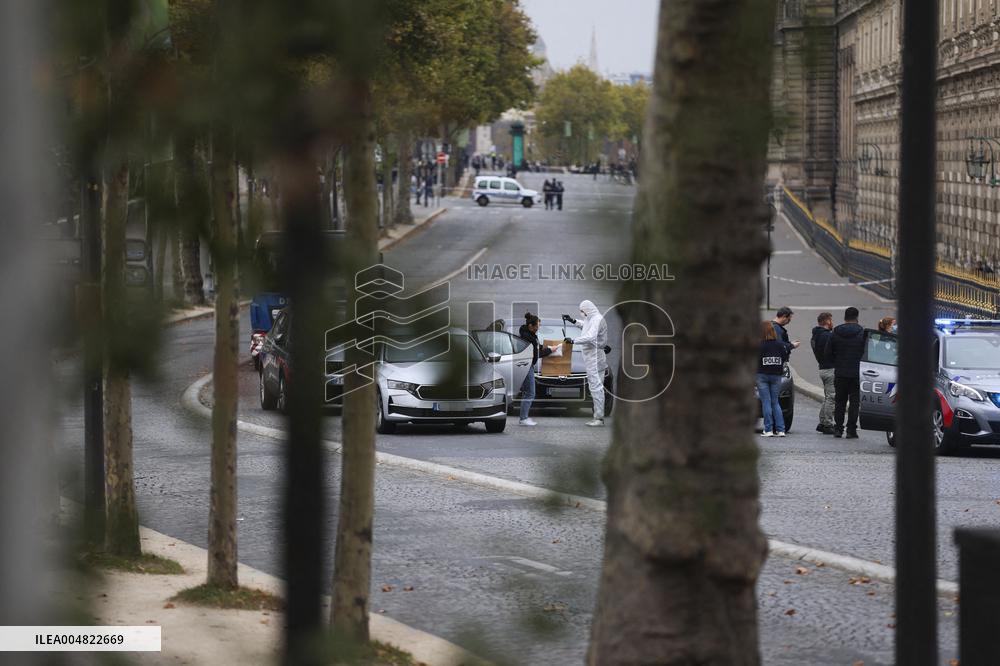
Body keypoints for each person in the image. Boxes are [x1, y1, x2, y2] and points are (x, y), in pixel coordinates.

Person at [563, 300, 609, 427]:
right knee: (595, 387)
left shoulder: (597, 319)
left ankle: (598, 418)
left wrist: (573, 340)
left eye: (582, 311)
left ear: (587, 309)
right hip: (592, 358)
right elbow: (585, 326)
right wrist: (573, 321)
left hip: (594, 358)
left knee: (596, 388)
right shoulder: (592, 318)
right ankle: (598, 417)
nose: (581, 313)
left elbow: (590, 336)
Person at [824, 306, 866, 439]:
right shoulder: (862, 333)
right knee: (854, 402)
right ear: (857, 318)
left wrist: (837, 362)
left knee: (840, 402)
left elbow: (827, 353)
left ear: (845, 318)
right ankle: (851, 430)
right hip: (856, 373)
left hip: (840, 372)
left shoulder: (835, 332)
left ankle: (838, 429)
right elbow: (866, 352)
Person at [517, 313, 560, 426]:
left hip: (528, 365)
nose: (538, 328)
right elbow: (537, 353)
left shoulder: (530, 334)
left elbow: (538, 347)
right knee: (530, 393)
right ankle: (523, 418)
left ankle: (523, 418)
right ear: (531, 326)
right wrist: (550, 350)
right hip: (526, 366)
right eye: (537, 326)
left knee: (528, 392)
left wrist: (548, 347)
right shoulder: (527, 337)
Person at [757, 320, 790, 437]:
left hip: (762, 374)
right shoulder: (780, 344)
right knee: (775, 402)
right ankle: (781, 430)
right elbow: (785, 357)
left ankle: (768, 429)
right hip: (776, 375)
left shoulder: (759, 345)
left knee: (766, 402)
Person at [811, 312, 837, 435]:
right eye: (831, 320)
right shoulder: (828, 336)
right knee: (832, 397)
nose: (832, 322)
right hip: (830, 368)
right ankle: (827, 424)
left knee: (827, 397)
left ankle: (822, 422)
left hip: (822, 368)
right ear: (827, 321)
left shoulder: (815, 335)